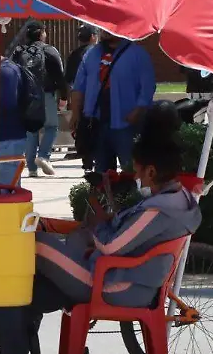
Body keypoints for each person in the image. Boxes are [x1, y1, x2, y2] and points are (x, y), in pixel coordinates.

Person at [31, 102, 201, 313]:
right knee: (60, 241)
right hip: (127, 278)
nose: (136, 177)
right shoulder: (181, 197)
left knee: (34, 244)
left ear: (151, 172)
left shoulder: (159, 210)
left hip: (116, 285)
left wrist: (97, 223)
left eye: (138, 172)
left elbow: (111, 246)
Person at [70, 30, 156, 174]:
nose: (105, 32)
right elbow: (79, 87)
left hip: (126, 124)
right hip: (96, 123)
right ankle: (105, 195)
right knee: (102, 173)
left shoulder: (138, 54)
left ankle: (132, 195)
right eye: (103, 29)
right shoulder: (91, 55)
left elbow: (148, 86)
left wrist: (138, 110)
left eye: (110, 29)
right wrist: (75, 114)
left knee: (132, 170)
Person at [12, 23, 67, 178]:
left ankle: (31, 168)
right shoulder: (49, 50)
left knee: (31, 130)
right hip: (46, 94)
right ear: (42, 33)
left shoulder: (19, 51)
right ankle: (43, 156)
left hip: (26, 95)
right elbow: (59, 75)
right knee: (51, 126)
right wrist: (63, 96)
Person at [0, 50, 30, 185]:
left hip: (6, 138)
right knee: (7, 187)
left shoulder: (5, 72)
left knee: (6, 190)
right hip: (6, 137)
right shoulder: (6, 70)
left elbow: (6, 103)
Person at [65, 26, 96, 169]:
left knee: (82, 129)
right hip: (97, 99)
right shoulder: (97, 54)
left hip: (80, 99)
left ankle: (87, 159)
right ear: (93, 37)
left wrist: (69, 100)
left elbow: (69, 81)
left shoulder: (74, 55)